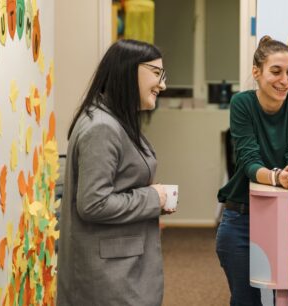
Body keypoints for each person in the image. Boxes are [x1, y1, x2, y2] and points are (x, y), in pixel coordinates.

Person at [57, 39, 172, 306]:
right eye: (156, 74)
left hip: (121, 266)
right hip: (109, 277)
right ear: (129, 70)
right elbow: (94, 204)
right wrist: (154, 198)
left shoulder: (114, 119)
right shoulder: (102, 127)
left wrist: (153, 201)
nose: (163, 85)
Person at [216, 35, 288, 306]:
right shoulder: (242, 103)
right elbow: (248, 162)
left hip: (284, 216)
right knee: (246, 301)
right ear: (256, 72)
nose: (285, 80)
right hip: (241, 218)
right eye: (276, 71)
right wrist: (278, 177)